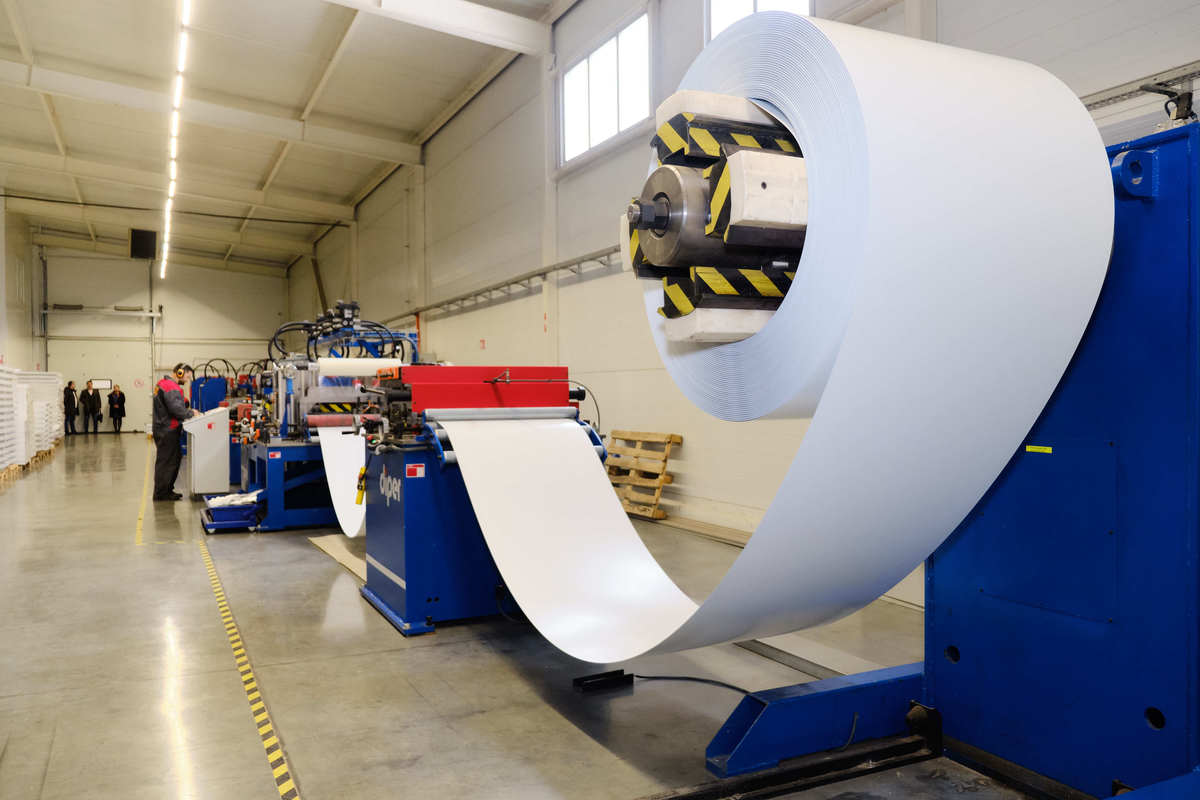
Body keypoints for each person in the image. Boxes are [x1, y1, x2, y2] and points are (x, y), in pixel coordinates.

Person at [153, 363, 195, 501]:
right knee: (167, 462)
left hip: (164, 428)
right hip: (167, 430)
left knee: (172, 460)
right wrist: (191, 413)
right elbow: (176, 409)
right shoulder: (171, 387)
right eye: (187, 377)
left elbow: (172, 405)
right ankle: (161, 494)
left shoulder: (163, 383)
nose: (187, 380)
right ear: (180, 372)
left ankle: (166, 490)